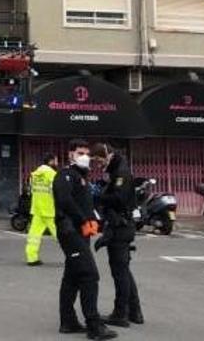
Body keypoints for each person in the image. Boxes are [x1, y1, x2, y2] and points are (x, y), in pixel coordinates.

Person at [53, 139, 117, 340]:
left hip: (81, 233)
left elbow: (85, 203)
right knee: (90, 275)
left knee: (72, 277)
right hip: (70, 232)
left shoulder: (82, 177)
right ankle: (94, 325)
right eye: (80, 152)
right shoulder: (65, 175)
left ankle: (68, 321)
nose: (84, 156)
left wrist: (95, 220)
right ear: (71, 154)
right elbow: (64, 201)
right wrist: (83, 220)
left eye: (87, 153)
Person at [91, 143, 144, 327]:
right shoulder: (116, 170)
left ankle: (120, 314)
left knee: (119, 272)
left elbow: (119, 199)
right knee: (124, 271)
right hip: (120, 225)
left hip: (121, 226)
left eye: (98, 160)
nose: (97, 164)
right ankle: (135, 312)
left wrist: (98, 196)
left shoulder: (121, 172)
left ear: (107, 154)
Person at [25, 153, 58, 266]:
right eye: (55, 161)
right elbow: (57, 190)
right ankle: (73, 256)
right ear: (51, 161)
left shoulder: (35, 174)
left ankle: (31, 258)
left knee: (34, 235)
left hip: (37, 209)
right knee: (62, 234)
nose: (57, 163)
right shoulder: (52, 173)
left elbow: (31, 190)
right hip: (50, 209)